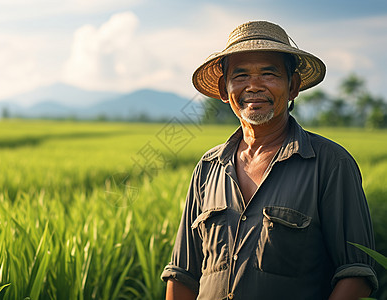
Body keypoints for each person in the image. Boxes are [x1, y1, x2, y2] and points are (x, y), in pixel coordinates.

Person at [161, 21, 378, 300]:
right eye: (240, 76)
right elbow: (183, 274)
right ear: (224, 89)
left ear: (293, 87)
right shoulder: (207, 168)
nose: (253, 86)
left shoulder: (330, 164)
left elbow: (356, 273)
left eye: (268, 73)